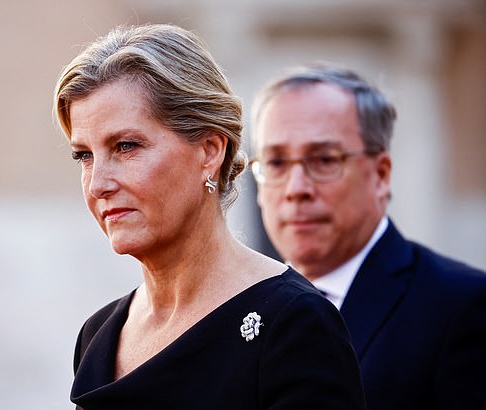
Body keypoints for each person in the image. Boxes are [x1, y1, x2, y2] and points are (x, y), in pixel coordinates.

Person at [53, 25, 365, 409]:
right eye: (84, 156)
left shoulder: (295, 324)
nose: (98, 183)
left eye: (126, 146)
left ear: (210, 151)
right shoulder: (99, 334)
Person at [250, 63, 486, 410]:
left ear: (380, 174)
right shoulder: (244, 309)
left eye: (325, 159)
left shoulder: (462, 306)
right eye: (276, 163)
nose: (295, 189)